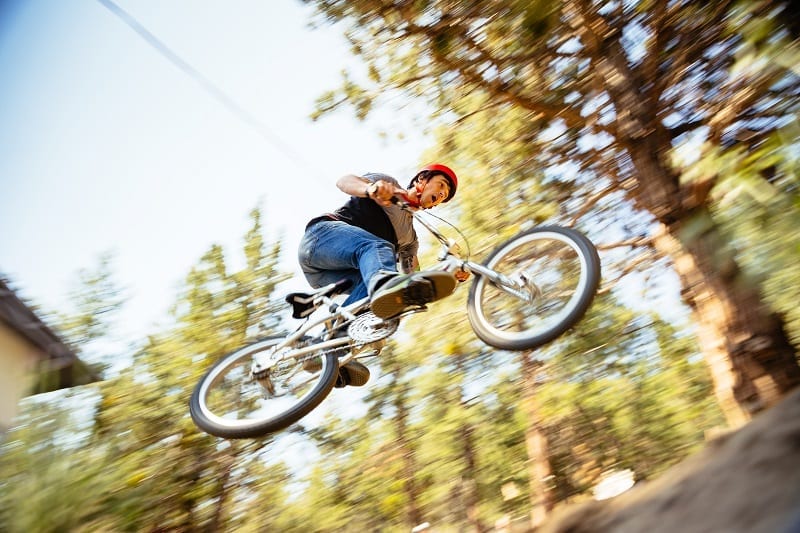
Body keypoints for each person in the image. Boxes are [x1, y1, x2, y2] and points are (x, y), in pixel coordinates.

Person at [297, 163, 468, 386]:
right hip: (320, 241)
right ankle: (379, 288)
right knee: (379, 251)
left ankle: (326, 349)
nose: (442, 195)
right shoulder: (389, 187)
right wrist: (371, 190)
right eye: (442, 185)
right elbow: (344, 181)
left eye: (444, 197)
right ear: (422, 179)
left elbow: (412, 279)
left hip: (333, 275)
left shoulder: (409, 240)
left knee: (376, 302)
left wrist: (451, 275)